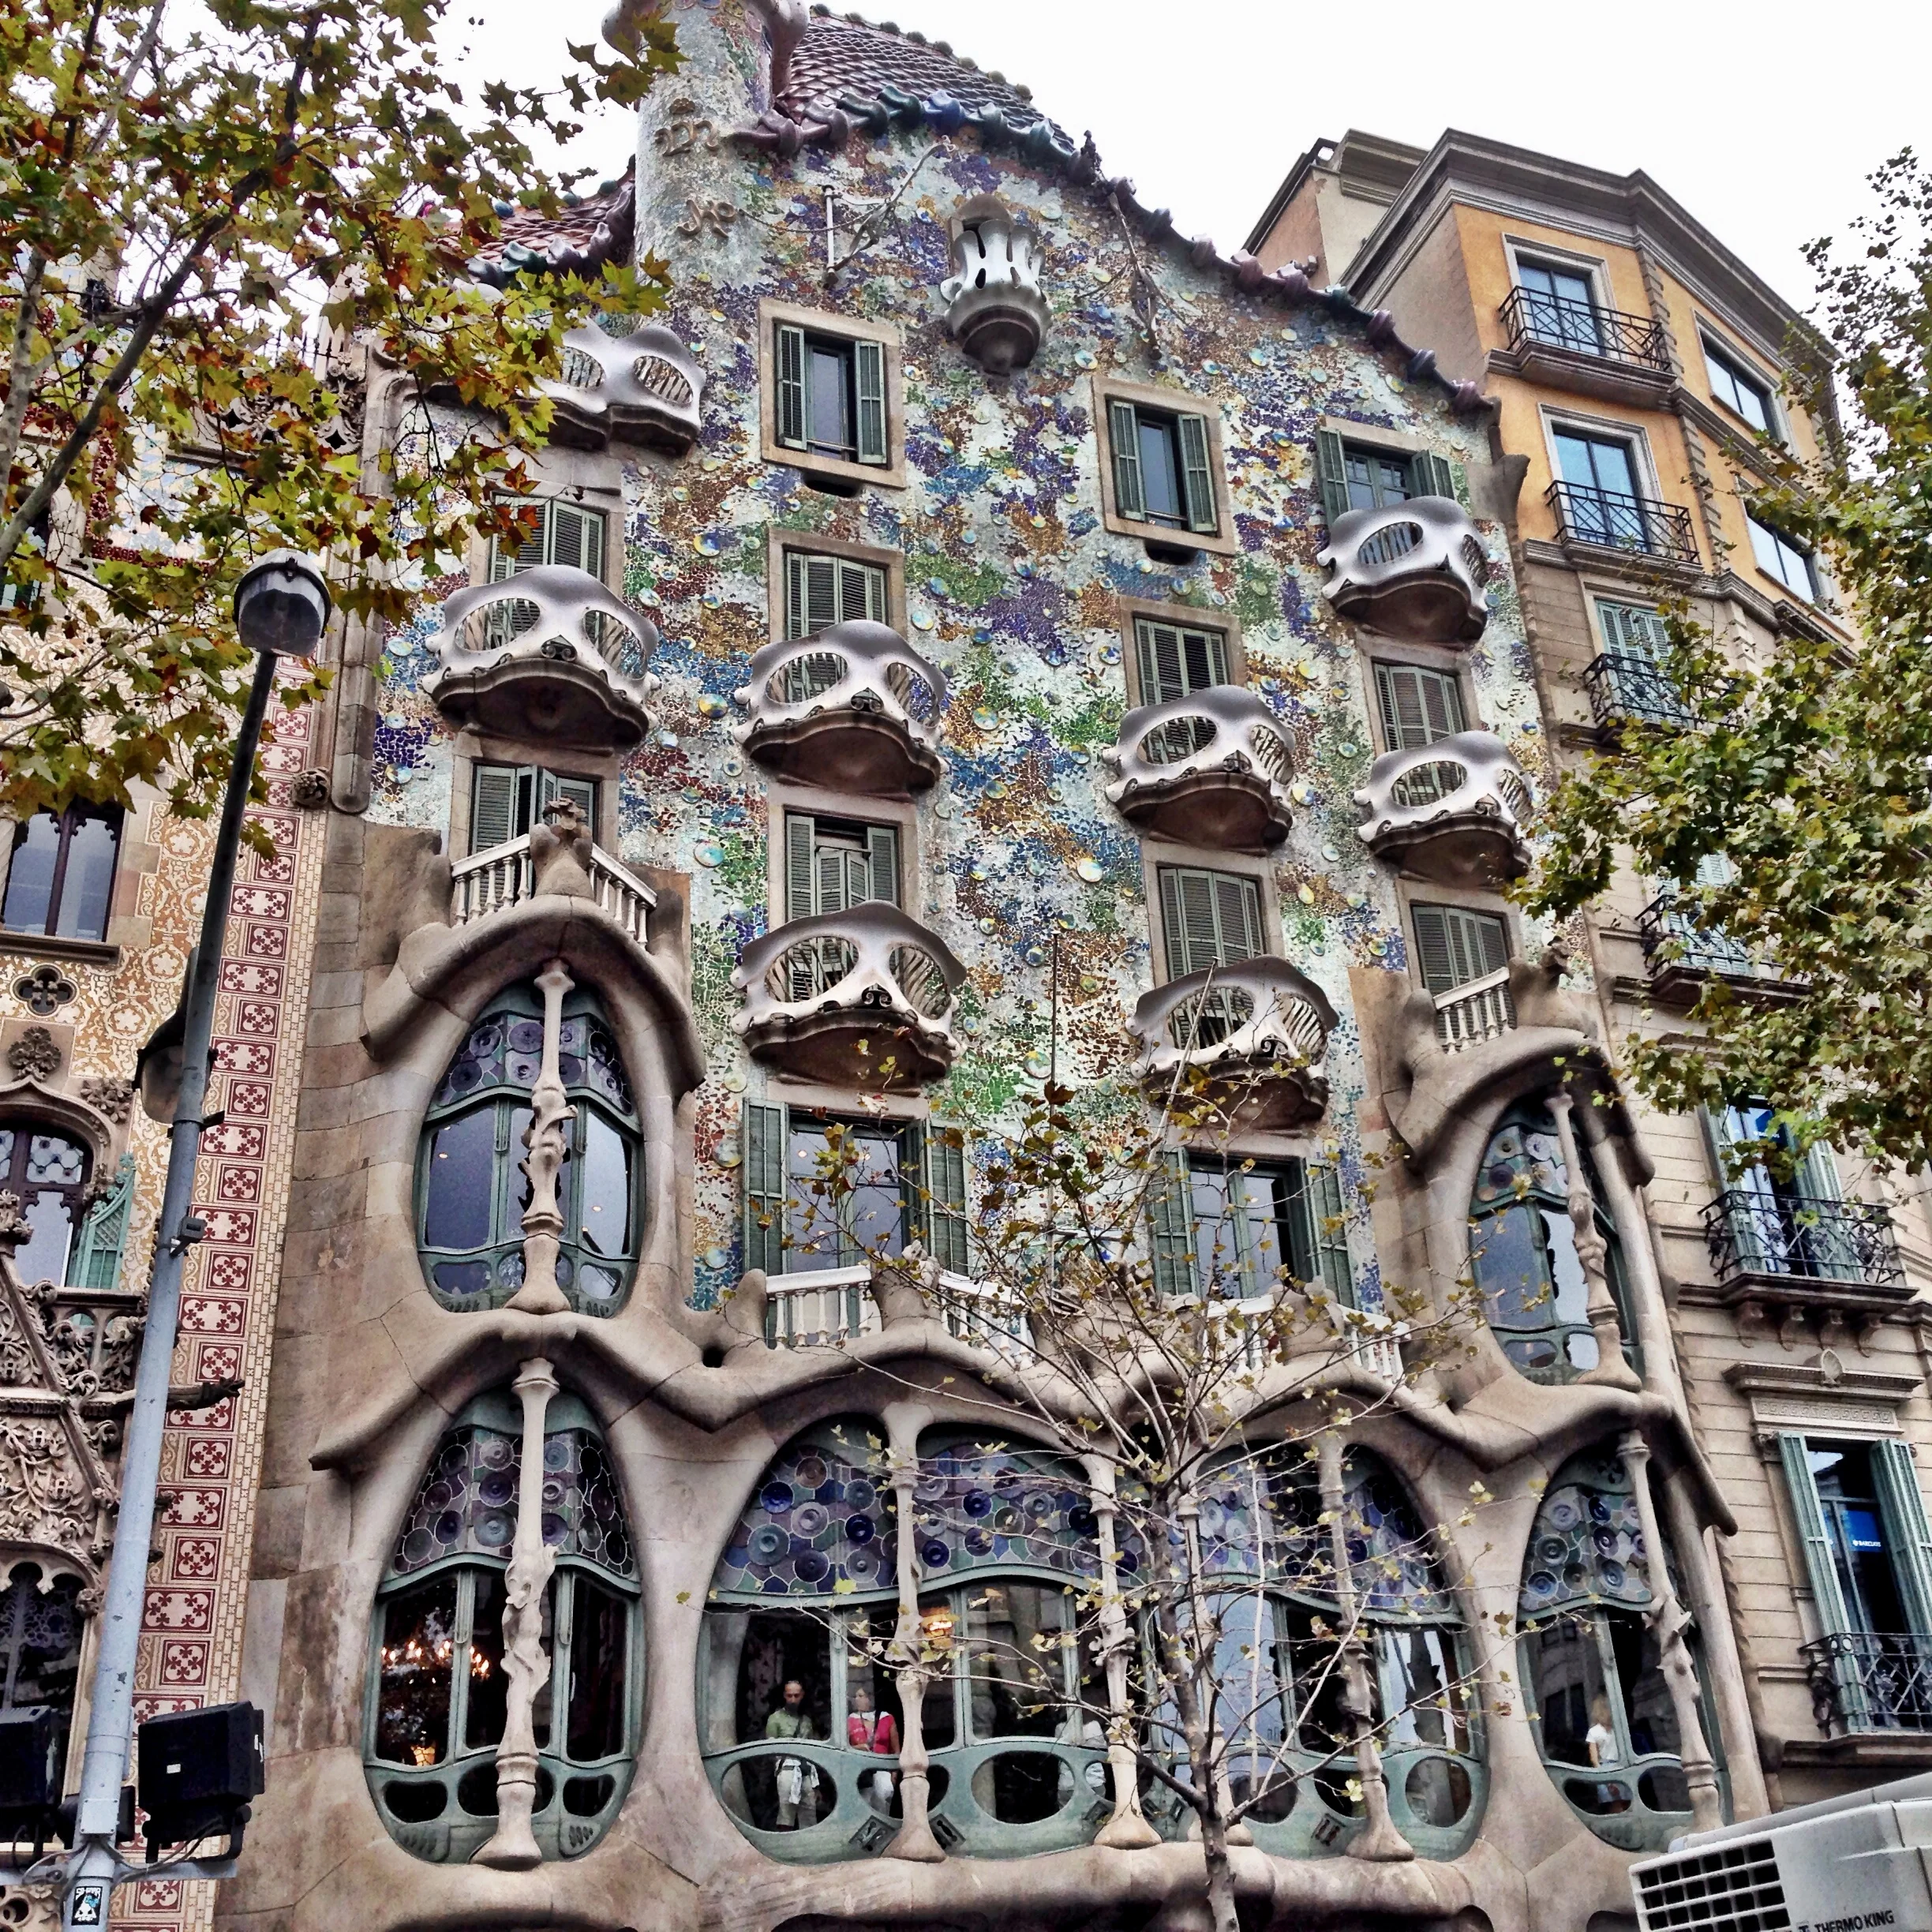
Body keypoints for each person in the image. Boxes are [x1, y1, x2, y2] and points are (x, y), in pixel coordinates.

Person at [766, 1679, 818, 1829]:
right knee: (786, 1813)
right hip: (787, 1767)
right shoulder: (775, 1719)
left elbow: (814, 1747)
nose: (793, 1700)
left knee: (809, 1813)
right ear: (784, 1696)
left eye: (796, 1695)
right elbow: (769, 1750)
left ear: (802, 1695)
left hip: (806, 1768)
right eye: (789, 1696)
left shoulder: (806, 1720)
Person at [847, 1683, 898, 1813]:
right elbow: (844, 1747)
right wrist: (858, 1747)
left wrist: (895, 1773)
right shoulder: (850, 1720)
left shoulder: (887, 1718)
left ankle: (882, 1833)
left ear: (870, 1698)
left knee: (882, 1804)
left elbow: (896, 1749)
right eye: (855, 1696)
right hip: (861, 1771)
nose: (856, 1699)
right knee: (864, 1806)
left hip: (883, 1769)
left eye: (860, 1696)